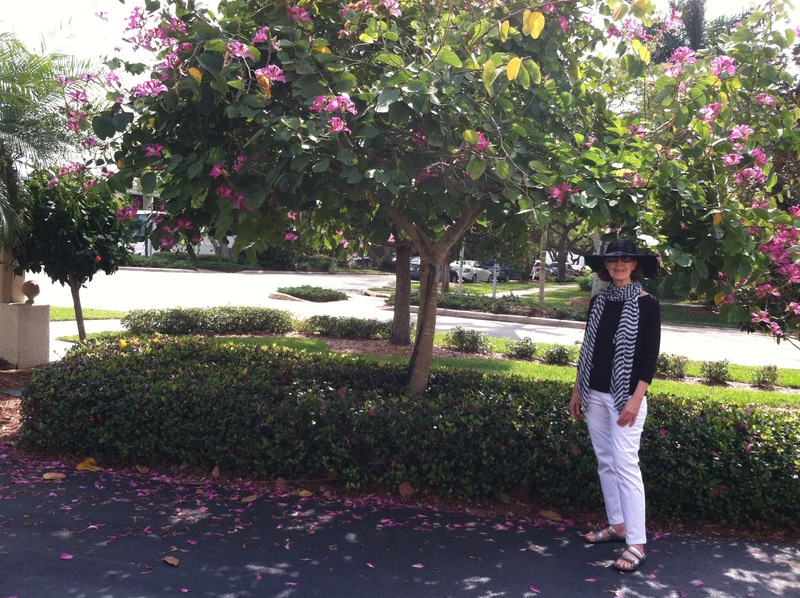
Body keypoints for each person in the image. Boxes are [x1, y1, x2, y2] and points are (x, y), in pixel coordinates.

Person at [569, 238, 661, 573]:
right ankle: (618, 524)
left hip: (625, 398)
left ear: (635, 265)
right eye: (612, 260)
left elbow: (650, 358)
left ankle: (636, 543)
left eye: (625, 259)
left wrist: (636, 399)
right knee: (606, 462)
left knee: (625, 465)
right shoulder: (599, 302)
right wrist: (577, 390)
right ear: (605, 266)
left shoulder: (648, 304)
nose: (618, 264)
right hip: (593, 393)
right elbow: (588, 349)